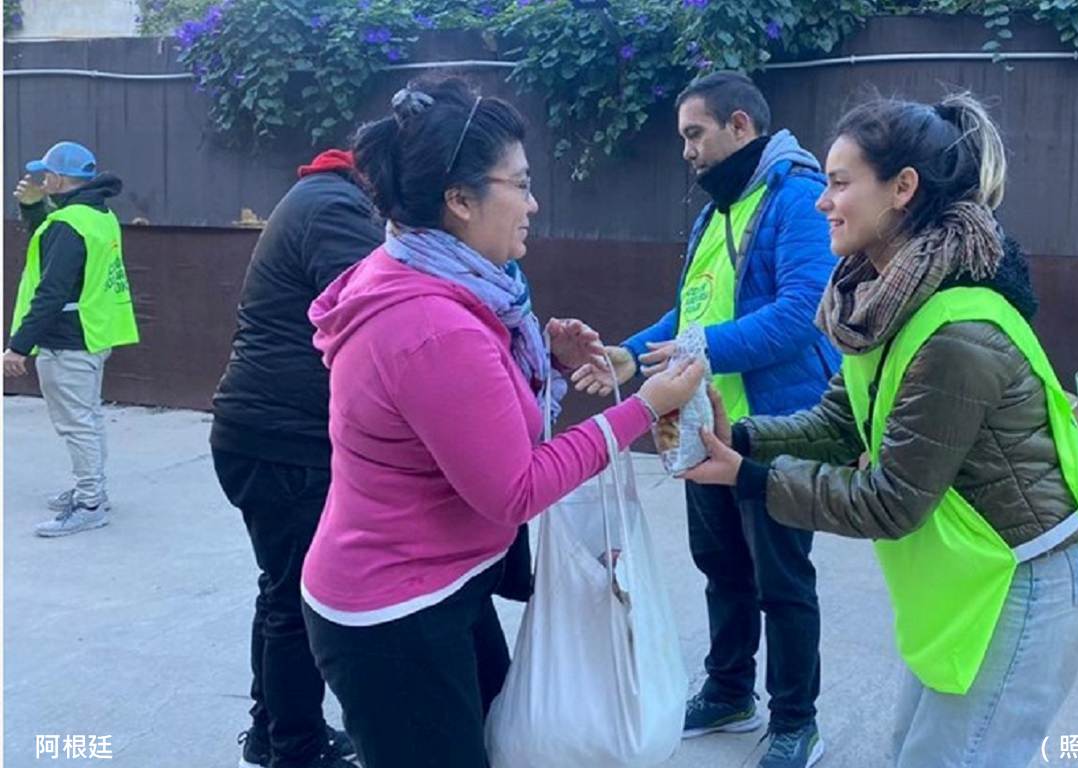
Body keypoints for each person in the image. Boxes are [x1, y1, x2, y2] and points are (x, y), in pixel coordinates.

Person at [684, 94, 1078, 767]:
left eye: (839, 183)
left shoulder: (955, 332)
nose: (823, 202)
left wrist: (753, 479)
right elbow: (839, 421)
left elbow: (890, 501)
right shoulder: (881, 302)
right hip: (974, 579)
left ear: (902, 189)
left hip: (1024, 582)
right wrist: (739, 438)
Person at [298, 75, 705, 768]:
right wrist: (644, 408)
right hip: (395, 617)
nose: (532, 203)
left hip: (439, 586)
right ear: (459, 201)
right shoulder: (434, 323)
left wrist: (546, 363)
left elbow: (475, 425)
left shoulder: (441, 283)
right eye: (519, 184)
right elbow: (514, 489)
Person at [575, 70, 837, 768]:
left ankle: (796, 721)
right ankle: (728, 691)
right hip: (706, 425)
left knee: (782, 580)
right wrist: (631, 353)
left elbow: (801, 313)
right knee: (722, 567)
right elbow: (692, 307)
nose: (687, 151)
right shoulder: (717, 211)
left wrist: (694, 350)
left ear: (740, 126)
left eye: (696, 134)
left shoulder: (797, 197)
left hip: (777, 428)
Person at [210, 149, 380, 768]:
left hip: (262, 435)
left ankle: (273, 733)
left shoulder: (318, 198)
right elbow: (380, 305)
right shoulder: (335, 209)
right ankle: (297, 750)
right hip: (285, 443)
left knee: (281, 592)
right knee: (297, 601)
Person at [5, 141, 138, 537]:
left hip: (67, 340)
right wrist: (33, 208)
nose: (40, 179)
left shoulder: (68, 224)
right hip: (93, 332)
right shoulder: (98, 214)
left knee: (76, 424)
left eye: (45, 174)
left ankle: (90, 503)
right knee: (88, 418)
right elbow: (55, 245)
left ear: (60, 180)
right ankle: (91, 490)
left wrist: (18, 346)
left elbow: (52, 289)